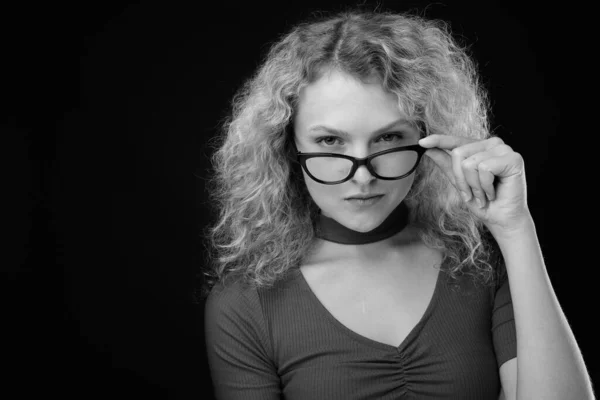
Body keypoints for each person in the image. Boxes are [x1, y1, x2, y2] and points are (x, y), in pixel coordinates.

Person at [200, 8, 594, 400]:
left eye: (388, 139)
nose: (363, 176)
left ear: (428, 137)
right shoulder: (246, 303)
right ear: (288, 147)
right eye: (330, 142)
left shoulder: (479, 264)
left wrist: (515, 229)